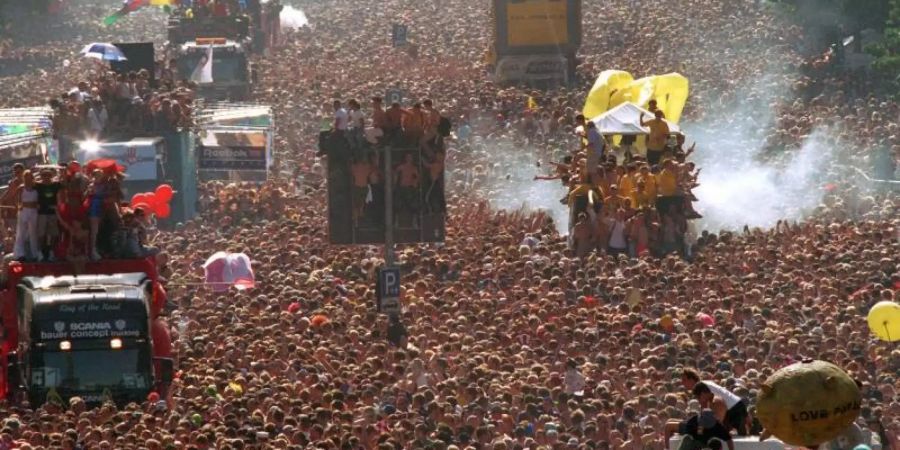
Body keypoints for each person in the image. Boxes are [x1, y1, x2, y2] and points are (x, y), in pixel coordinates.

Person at [683, 369, 750, 435]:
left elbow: (704, 410)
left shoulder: (701, 388)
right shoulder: (707, 382)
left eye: (684, 380)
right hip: (737, 403)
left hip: (731, 409)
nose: (682, 383)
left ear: (691, 379)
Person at [665, 409, 734, 450]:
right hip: (693, 441)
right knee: (687, 438)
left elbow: (728, 439)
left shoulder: (717, 426)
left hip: (707, 444)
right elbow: (669, 426)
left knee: (715, 442)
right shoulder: (692, 422)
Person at [13, 171, 40, 261]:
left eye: (30, 176)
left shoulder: (36, 187)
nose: (28, 178)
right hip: (24, 210)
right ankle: (19, 254)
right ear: (24, 178)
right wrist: (17, 206)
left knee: (33, 233)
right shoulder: (21, 188)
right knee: (21, 232)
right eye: (26, 177)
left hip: (33, 211)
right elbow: (13, 196)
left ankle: (35, 254)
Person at [35, 167, 61, 261]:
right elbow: (26, 184)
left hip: (52, 213)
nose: (46, 177)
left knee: (53, 233)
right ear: (41, 176)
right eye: (44, 175)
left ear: (51, 176)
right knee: (41, 234)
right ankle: (41, 252)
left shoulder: (56, 185)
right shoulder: (38, 185)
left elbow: (64, 183)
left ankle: (51, 252)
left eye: (48, 175)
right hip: (41, 213)